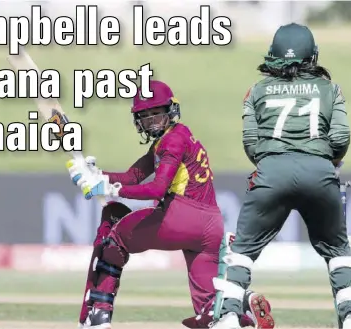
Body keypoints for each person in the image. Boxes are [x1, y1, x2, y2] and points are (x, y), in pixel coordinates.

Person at [66, 80, 274, 329]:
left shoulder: (172, 142)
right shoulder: (176, 136)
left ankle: (98, 316)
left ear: (170, 111)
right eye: (145, 115)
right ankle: (243, 308)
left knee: (115, 237)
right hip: (210, 228)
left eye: (157, 113)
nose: (152, 120)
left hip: (182, 216)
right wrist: (98, 175)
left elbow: (156, 189)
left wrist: (110, 189)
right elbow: (133, 176)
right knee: (210, 310)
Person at [210, 23, 351, 329]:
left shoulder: (256, 90)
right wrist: (325, 160)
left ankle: (229, 316)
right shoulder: (330, 89)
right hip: (319, 173)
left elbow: (251, 144)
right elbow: (341, 138)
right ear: (312, 55)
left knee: (241, 248)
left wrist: (273, 161)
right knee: (338, 249)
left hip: (271, 173)